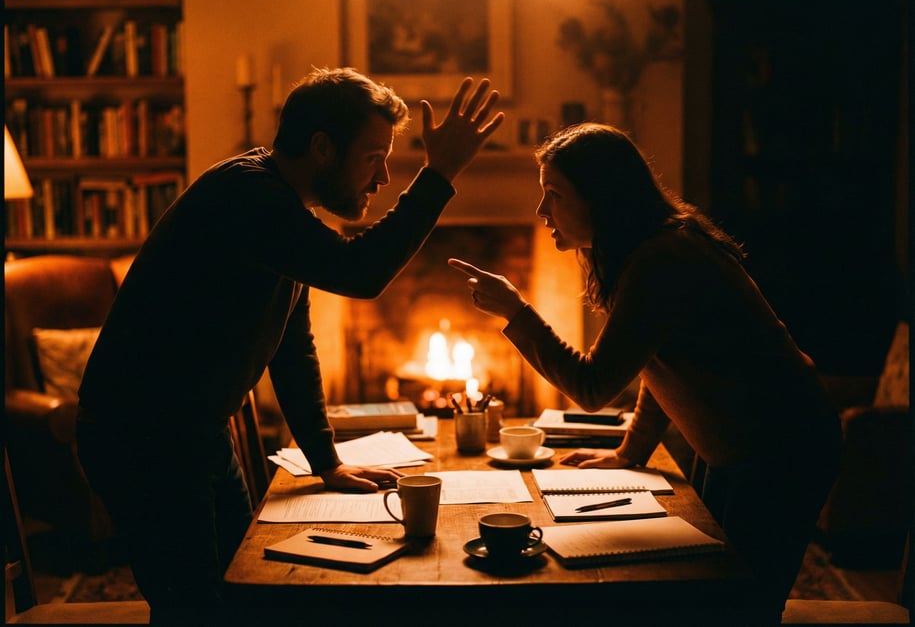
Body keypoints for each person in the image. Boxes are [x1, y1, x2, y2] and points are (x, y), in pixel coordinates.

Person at [77, 67, 503, 625]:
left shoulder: (281, 209)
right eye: (373, 158)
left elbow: (292, 347)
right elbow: (363, 271)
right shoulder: (248, 197)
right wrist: (439, 173)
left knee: (250, 589)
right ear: (323, 148)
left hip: (193, 431)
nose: (380, 181)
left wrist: (326, 461)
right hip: (140, 434)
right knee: (196, 609)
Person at [448, 123, 841, 624]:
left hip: (782, 445)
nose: (542, 212)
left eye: (554, 195)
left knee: (740, 607)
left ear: (601, 197)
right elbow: (659, 360)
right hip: (734, 446)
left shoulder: (664, 257)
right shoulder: (644, 252)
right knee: (713, 597)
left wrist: (517, 312)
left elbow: (592, 387)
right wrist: (629, 451)